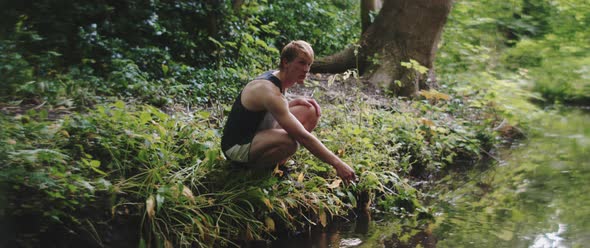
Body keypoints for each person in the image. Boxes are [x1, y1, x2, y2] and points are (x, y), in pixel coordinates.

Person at [221, 40, 356, 183]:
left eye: (309, 64)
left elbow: (265, 111)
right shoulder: (269, 90)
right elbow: (303, 136)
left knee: (310, 110)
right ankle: (249, 170)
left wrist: (292, 103)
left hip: (258, 133)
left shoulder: (279, 79)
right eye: (301, 63)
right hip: (237, 147)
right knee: (290, 142)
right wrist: (337, 163)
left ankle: (276, 166)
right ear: (286, 62)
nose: (306, 69)